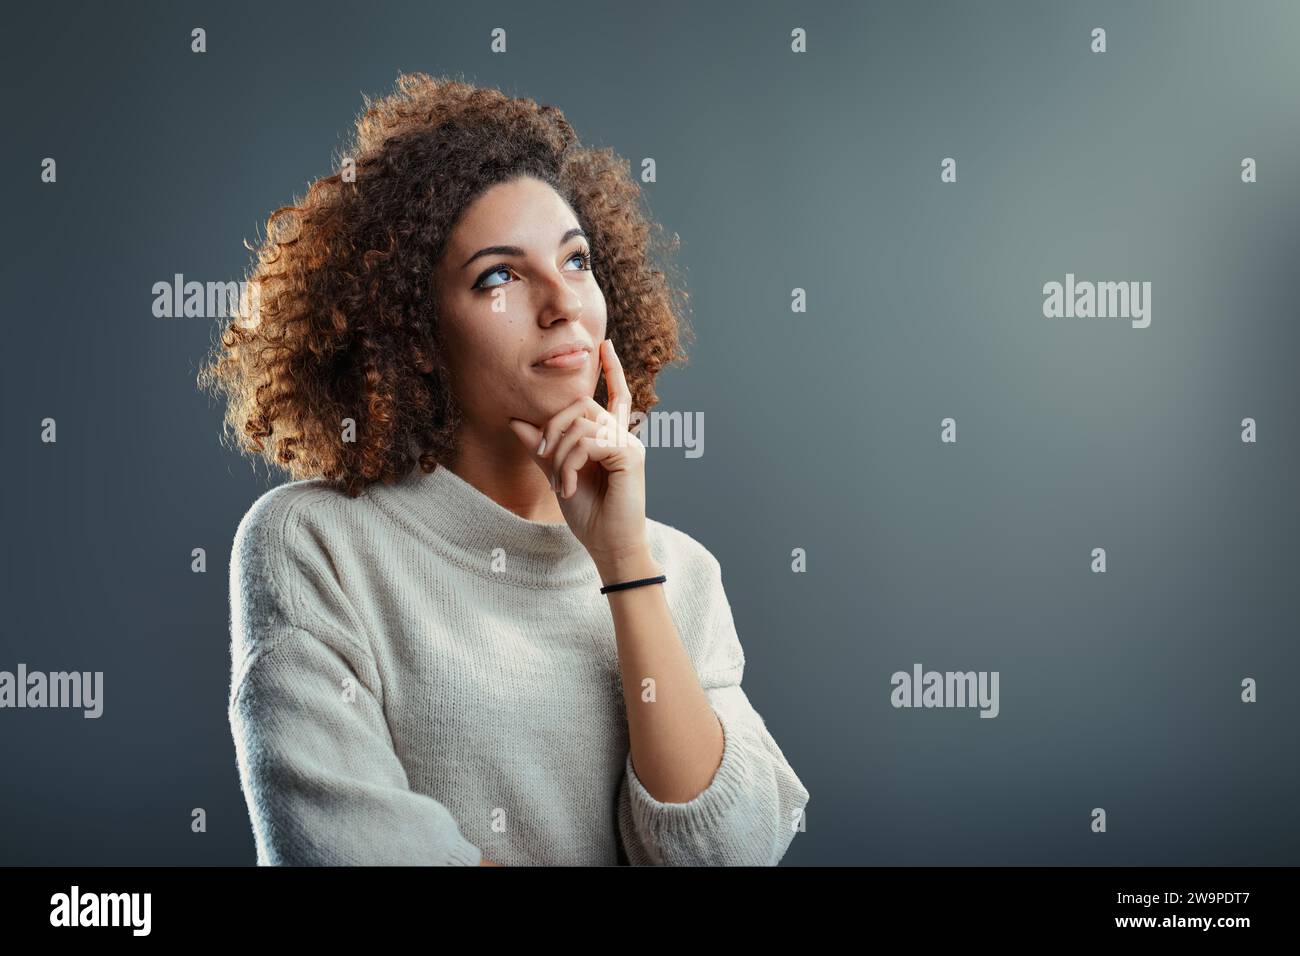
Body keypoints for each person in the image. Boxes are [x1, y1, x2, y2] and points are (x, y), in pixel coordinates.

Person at [198, 72, 810, 865]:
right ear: (414, 331)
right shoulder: (314, 543)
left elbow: (731, 853)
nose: (564, 304)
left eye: (577, 260)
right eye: (499, 276)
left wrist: (624, 565)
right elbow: (349, 852)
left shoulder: (678, 572)